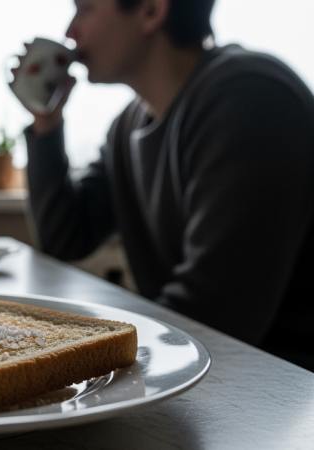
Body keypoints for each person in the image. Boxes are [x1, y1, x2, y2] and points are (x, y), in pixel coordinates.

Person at [22, 0, 314, 370]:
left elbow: (216, 313)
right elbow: (65, 236)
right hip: (209, 370)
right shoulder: (126, 128)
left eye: (85, 8)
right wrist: (46, 122)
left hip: (285, 384)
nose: (70, 32)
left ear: (151, 10)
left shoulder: (252, 99)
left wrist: (70, 352)